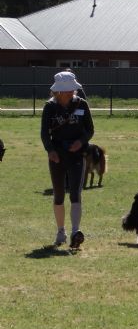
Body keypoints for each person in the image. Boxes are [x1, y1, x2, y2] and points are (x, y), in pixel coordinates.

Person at [41, 71, 94, 248]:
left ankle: (75, 232)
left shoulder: (82, 104)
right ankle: (61, 231)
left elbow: (90, 130)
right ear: (59, 92)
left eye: (73, 90)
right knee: (58, 195)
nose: (72, 92)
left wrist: (80, 142)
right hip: (57, 156)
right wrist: (50, 150)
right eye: (69, 90)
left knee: (75, 193)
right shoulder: (49, 107)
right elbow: (44, 133)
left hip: (77, 155)